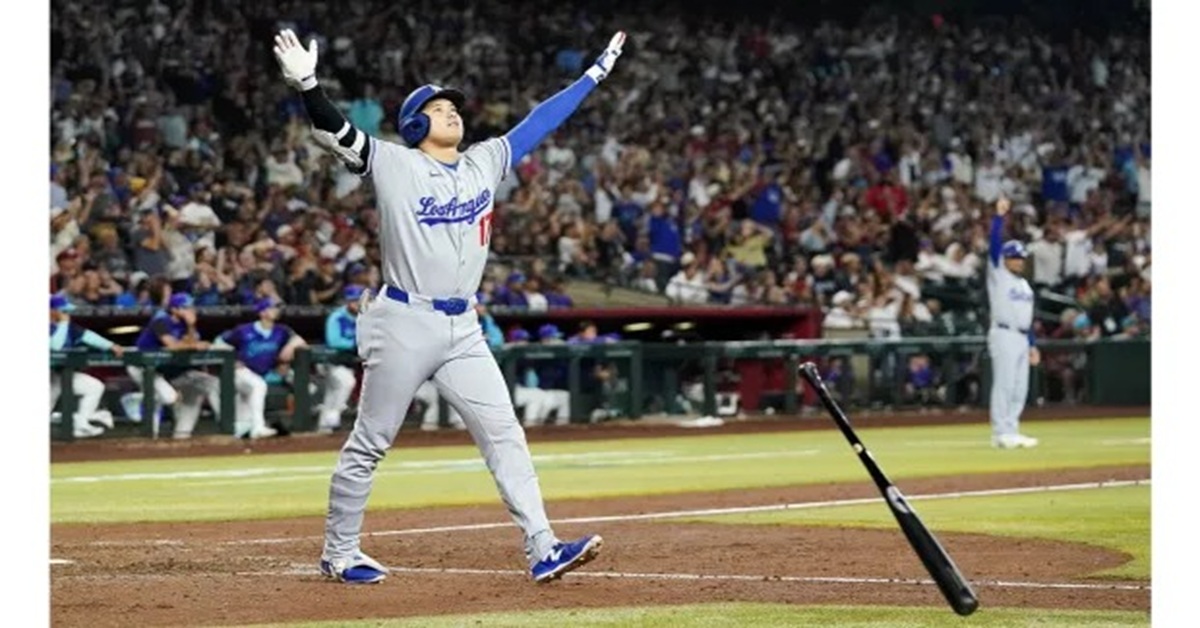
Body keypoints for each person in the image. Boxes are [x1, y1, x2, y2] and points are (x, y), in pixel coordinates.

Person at [273, 27, 623, 583]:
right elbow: (334, 130)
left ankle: (542, 546)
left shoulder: (486, 160)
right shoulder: (392, 162)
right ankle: (339, 552)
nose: (451, 113)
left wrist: (592, 77)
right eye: (437, 108)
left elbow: (540, 121)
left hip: (464, 326)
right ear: (415, 124)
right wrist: (309, 85)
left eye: (454, 106)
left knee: (505, 433)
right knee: (371, 441)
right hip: (403, 318)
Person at [129, 293, 224, 439]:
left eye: (191, 307)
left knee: (206, 387)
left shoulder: (184, 324)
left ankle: (182, 436)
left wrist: (191, 326)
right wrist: (193, 345)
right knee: (167, 398)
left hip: (165, 369)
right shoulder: (160, 321)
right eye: (185, 307)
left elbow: (191, 343)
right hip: (141, 366)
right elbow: (173, 345)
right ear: (174, 309)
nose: (190, 310)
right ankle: (137, 405)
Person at [986, 197, 1039, 449]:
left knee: (1020, 386)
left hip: (1021, 336)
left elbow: (1026, 317)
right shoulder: (998, 273)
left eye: (1021, 258)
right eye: (1014, 257)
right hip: (1003, 333)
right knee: (1005, 383)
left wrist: (1032, 344)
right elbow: (994, 244)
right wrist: (999, 217)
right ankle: (1000, 432)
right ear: (1006, 259)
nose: (1018, 261)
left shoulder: (1024, 285)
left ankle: (1012, 428)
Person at [213, 296, 307, 439]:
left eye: (276, 308)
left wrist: (290, 346)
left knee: (241, 426)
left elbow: (300, 340)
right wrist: (232, 359)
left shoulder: (281, 331)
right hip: (241, 373)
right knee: (258, 385)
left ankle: (249, 436)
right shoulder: (244, 330)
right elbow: (218, 342)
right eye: (272, 308)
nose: (276, 311)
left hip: (260, 374)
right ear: (262, 312)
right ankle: (258, 427)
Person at [49, 294, 122, 438]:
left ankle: (81, 425)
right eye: (63, 311)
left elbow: (88, 336)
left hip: (61, 374)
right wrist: (63, 324)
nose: (67, 314)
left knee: (94, 387)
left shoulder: (69, 327)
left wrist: (110, 345)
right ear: (51, 311)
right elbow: (55, 346)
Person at [319, 285, 367, 433]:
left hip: (348, 363)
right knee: (347, 382)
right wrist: (356, 342)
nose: (355, 304)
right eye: (352, 301)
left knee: (333, 394)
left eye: (357, 300)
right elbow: (333, 341)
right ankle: (333, 415)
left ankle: (322, 428)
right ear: (346, 301)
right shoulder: (337, 317)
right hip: (331, 362)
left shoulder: (365, 317)